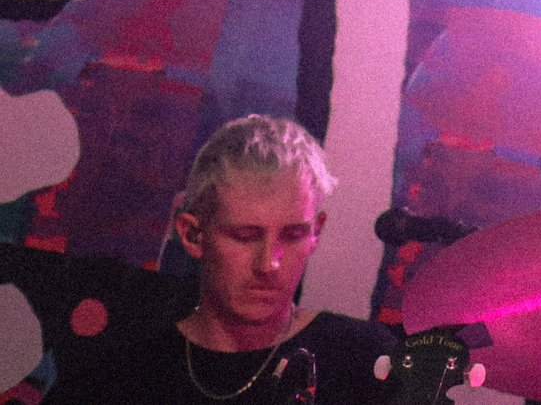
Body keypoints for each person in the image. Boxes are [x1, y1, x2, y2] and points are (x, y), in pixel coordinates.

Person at [41, 115, 394, 404]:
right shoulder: (120, 376)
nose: (269, 263)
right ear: (193, 235)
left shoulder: (364, 360)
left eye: (292, 235)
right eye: (244, 235)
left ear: (316, 232)